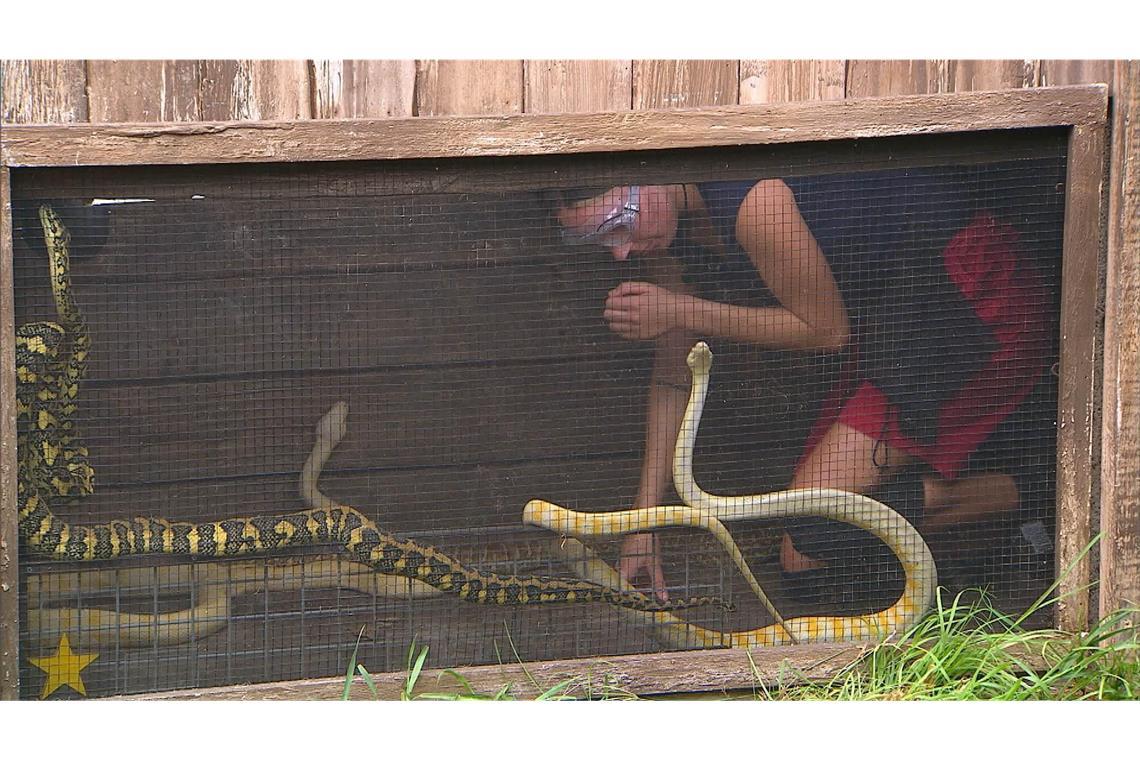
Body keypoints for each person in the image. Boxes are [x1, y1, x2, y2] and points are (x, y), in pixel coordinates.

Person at [555, 170, 1054, 603]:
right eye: (597, 241)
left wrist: (677, 308)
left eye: (617, 223)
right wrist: (643, 524)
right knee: (805, 543)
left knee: (815, 529)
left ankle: (1040, 493)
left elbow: (826, 331)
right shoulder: (668, 234)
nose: (620, 251)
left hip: (971, 302)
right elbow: (672, 373)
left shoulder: (752, 201)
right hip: (897, 322)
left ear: (649, 175)